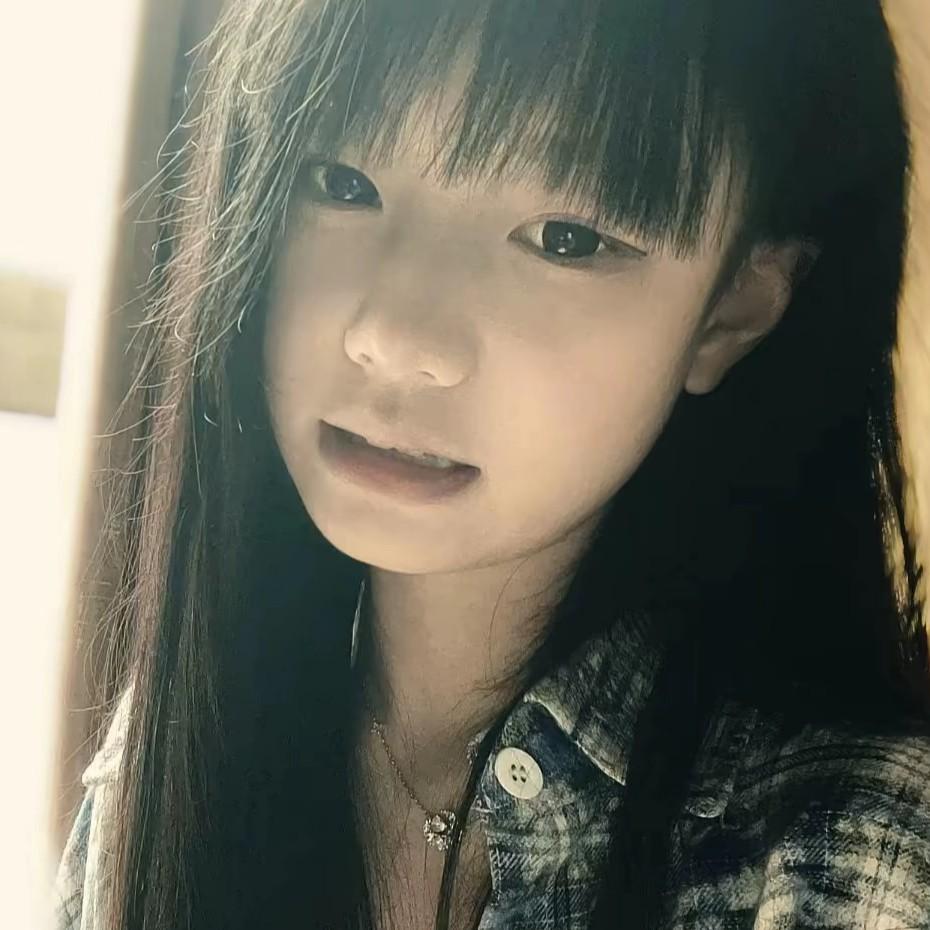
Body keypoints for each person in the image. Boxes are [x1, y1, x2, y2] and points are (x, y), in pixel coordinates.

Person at [55, 0, 930, 928]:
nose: (396, 337)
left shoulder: (852, 850)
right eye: (343, 183)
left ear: (730, 314)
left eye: (566, 238)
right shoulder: (167, 761)